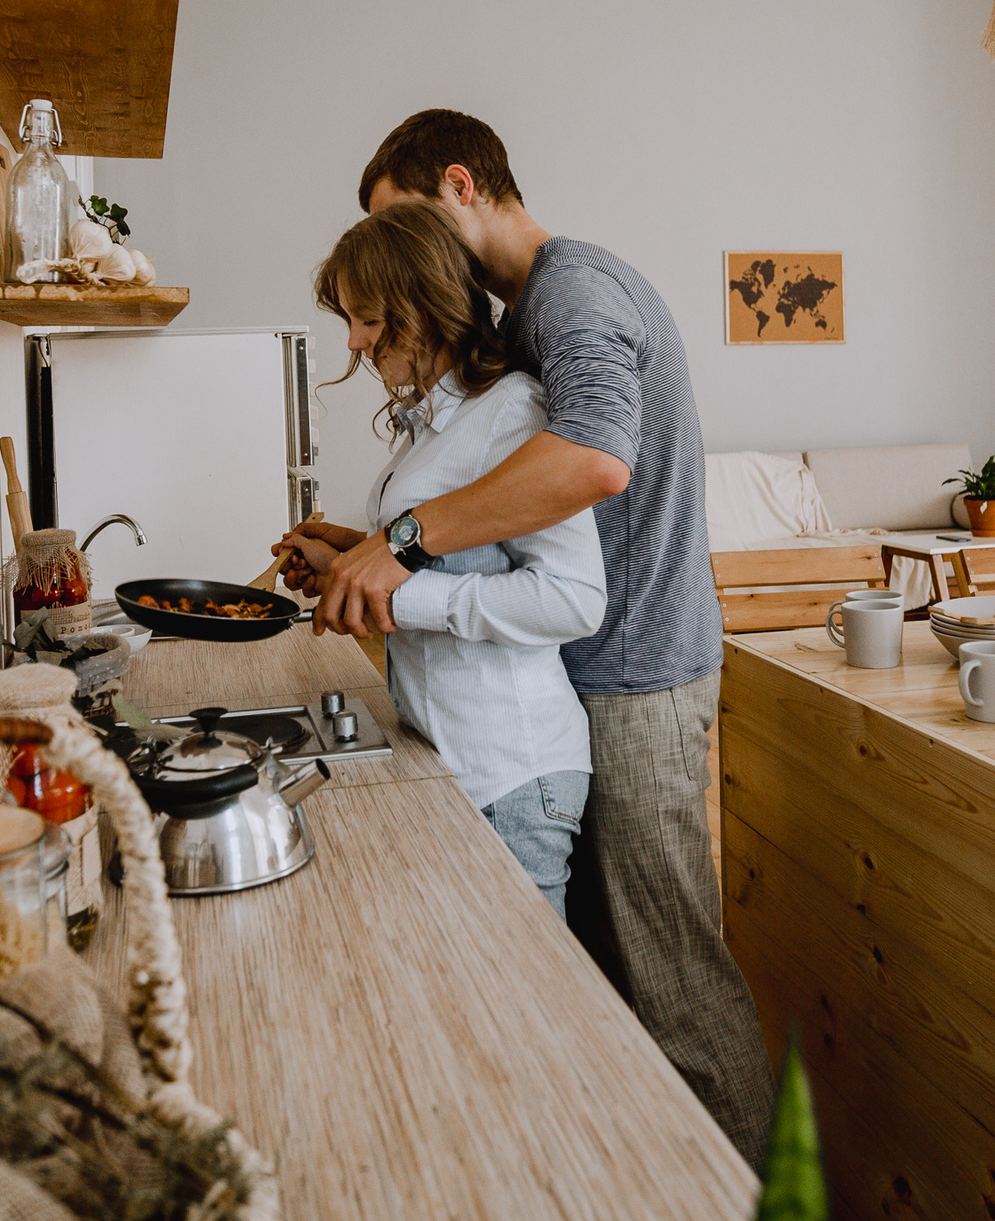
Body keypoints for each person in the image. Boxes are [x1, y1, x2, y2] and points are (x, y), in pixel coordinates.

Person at [292, 110, 774, 1167]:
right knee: (608, 983)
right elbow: (497, 513)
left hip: (636, 671)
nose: (403, 262)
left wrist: (401, 551)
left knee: (673, 981)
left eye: (404, 223)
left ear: (459, 187)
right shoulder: (530, 313)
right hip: (592, 676)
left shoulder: (573, 293)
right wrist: (378, 547)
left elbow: (592, 463)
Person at [276, 199, 605, 912]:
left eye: (367, 318)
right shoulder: (430, 422)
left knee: (523, 1010)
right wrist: (352, 555)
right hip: (455, 761)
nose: (357, 343)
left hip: (512, 773)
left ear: (420, 306)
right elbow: (445, 549)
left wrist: (394, 598)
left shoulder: (513, 410)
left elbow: (574, 596)